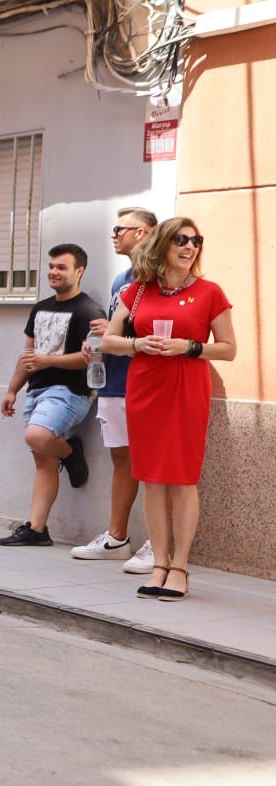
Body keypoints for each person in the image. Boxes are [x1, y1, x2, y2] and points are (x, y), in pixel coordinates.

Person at [100, 218, 234, 602]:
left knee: (182, 478)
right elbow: (109, 340)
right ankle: (158, 564)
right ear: (162, 244)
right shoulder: (139, 291)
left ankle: (180, 568)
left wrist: (189, 348)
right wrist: (138, 346)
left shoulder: (210, 293)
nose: (190, 247)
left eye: (196, 241)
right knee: (152, 478)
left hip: (186, 387)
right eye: (181, 239)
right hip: (144, 387)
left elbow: (228, 348)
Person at [0, 244, 106, 546]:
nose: (54, 272)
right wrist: (12, 389)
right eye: (52, 267)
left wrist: (49, 360)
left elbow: (92, 359)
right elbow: (28, 354)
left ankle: (70, 451)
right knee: (43, 462)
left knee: (37, 436)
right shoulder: (40, 308)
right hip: (37, 390)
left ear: (79, 271)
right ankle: (37, 529)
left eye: (62, 267)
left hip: (70, 392)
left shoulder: (89, 311)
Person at [72, 209, 159, 573]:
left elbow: (158, 331)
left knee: (155, 464)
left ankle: (161, 543)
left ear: (141, 232)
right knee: (122, 461)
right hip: (113, 380)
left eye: (119, 229)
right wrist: (99, 342)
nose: (113, 235)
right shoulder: (120, 279)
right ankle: (116, 537)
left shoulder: (158, 279)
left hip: (147, 382)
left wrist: (117, 331)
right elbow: (116, 333)